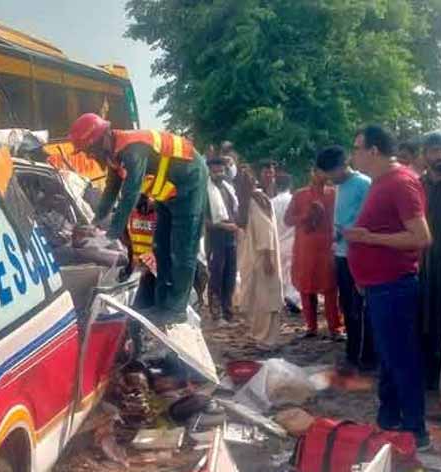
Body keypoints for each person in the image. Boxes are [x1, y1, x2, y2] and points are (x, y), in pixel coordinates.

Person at [68, 113, 208, 323]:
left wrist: (111, 234)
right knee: (161, 247)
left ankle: (176, 309)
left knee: (182, 249)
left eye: (90, 150)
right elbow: (111, 190)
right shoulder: (114, 155)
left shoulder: (133, 149)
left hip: (190, 183)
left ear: (101, 139)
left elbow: (130, 193)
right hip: (167, 192)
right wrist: (95, 223)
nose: (89, 156)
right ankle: (161, 306)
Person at [347, 124, 432, 450]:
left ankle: (415, 433)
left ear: (373, 151)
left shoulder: (401, 183)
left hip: (394, 287)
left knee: (403, 359)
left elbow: (421, 237)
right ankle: (390, 421)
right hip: (380, 286)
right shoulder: (382, 182)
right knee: (390, 357)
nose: (353, 154)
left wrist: (369, 239)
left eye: (357, 148)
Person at [315, 145, 376, 370]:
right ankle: (352, 354)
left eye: (331, 174)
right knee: (348, 307)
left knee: (363, 307)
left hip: (361, 255)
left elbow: (370, 218)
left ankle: (368, 357)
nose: (329, 179)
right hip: (342, 253)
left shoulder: (363, 184)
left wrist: (346, 231)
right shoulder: (340, 186)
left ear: (342, 166)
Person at [285, 167, 343, 338]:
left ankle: (335, 328)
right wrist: (305, 216)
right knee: (306, 288)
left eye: (325, 171)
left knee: (331, 289)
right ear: (312, 172)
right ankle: (311, 327)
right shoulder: (300, 194)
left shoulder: (334, 194)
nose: (322, 175)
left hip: (327, 249)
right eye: (319, 171)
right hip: (305, 250)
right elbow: (287, 220)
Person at [236, 166, 283, 348]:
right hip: (257, 254)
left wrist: (267, 258)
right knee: (259, 296)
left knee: (265, 297)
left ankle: (266, 338)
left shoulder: (256, 201)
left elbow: (266, 231)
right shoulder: (251, 200)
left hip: (263, 255)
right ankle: (260, 335)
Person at [418, 131, 441, 396]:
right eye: (434, 151)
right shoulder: (417, 185)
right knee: (425, 317)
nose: (440, 156)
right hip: (423, 263)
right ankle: (428, 375)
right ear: (424, 155)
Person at [206, 158, 240, 326]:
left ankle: (228, 313)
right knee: (216, 276)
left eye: (221, 170)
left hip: (231, 238)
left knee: (230, 276)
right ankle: (216, 315)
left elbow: (235, 211)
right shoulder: (205, 191)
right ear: (209, 171)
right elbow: (204, 220)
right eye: (215, 170)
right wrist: (224, 226)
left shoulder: (227, 188)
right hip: (215, 238)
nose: (219, 173)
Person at [271, 173, 301, 312]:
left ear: (276, 185)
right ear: (291, 186)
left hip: (278, 241)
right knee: (292, 272)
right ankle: (293, 298)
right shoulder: (294, 200)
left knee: (281, 273)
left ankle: (283, 298)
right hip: (293, 240)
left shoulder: (271, 202)